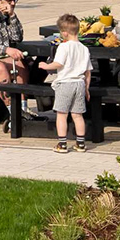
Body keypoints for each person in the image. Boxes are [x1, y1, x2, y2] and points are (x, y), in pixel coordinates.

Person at [39, 13, 91, 152]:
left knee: (62, 115)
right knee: (78, 115)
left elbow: (58, 63)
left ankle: (62, 143)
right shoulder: (84, 49)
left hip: (65, 83)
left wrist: (45, 66)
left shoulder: (64, 47)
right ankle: (80, 143)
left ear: (64, 33)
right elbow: (88, 71)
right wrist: (87, 88)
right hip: (79, 84)